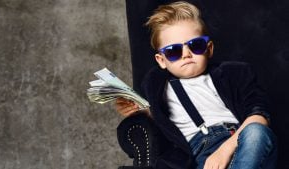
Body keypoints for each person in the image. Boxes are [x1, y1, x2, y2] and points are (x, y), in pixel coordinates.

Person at [116, 1, 277, 169]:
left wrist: (225, 150)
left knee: (256, 132)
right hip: (199, 156)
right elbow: (163, 121)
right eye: (173, 51)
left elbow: (260, 116)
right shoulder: (158, 89)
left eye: (196, 45)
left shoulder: (233, 74)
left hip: (240, 143)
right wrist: (142, 111)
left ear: (209, 49)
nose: (186, 54)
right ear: (161, 60)